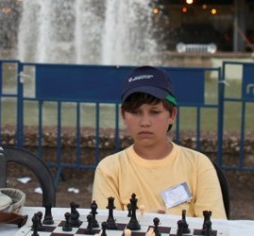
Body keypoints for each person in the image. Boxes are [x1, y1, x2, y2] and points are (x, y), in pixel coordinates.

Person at [92, 66, 226, 220]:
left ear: (172, 114)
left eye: (155, 112)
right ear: (123, 115)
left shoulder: (199, 165)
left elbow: (216, 227)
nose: (145, 122)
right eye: (135, 112)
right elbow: (106, 231)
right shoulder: (109, 169)